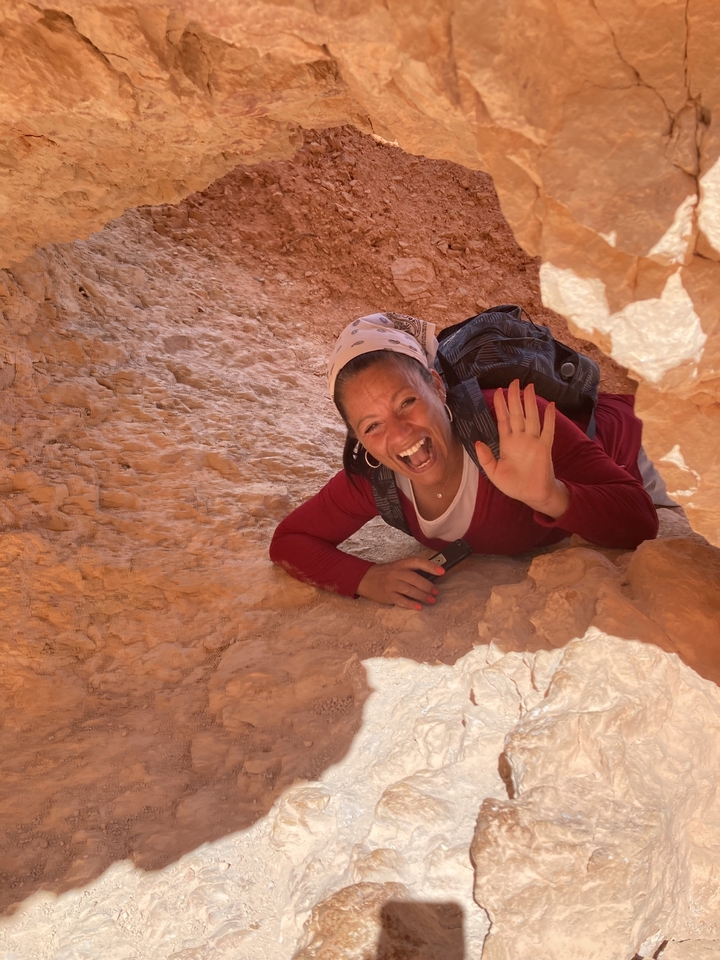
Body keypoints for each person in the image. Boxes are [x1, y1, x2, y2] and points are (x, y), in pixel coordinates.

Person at [270, 312, 660, 609]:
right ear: (358, 438)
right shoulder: (373, 480)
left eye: (407, 402)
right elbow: (290, 541)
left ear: (437, 387)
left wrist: (550, 495)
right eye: (372, 425)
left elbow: (640, 521)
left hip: (647, 444)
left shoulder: (511, 420)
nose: (400, 434)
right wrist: (367, 578)